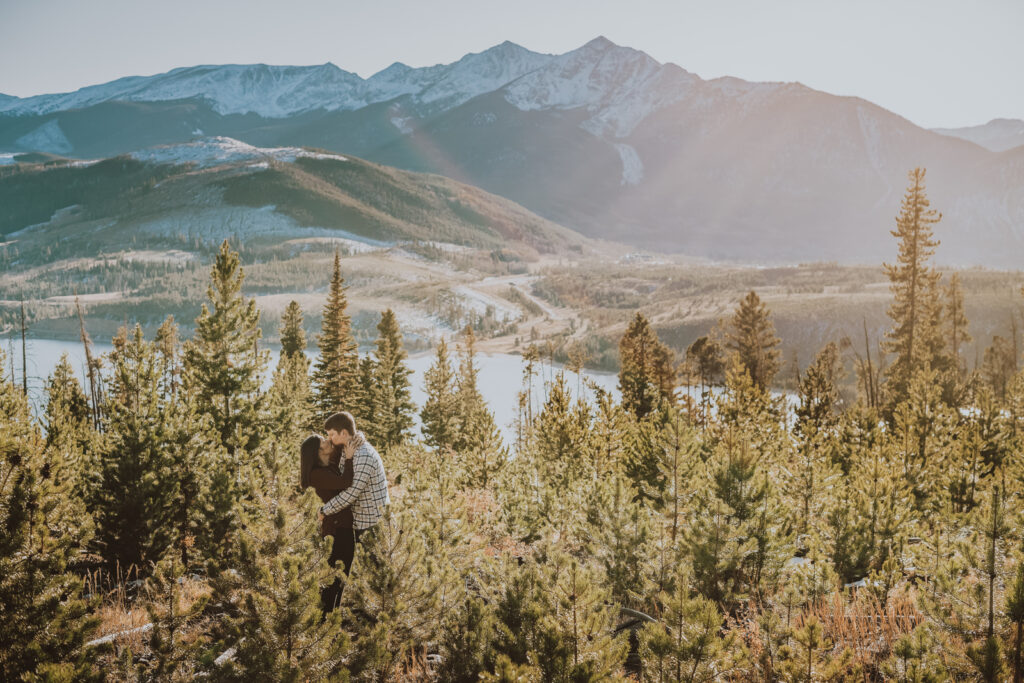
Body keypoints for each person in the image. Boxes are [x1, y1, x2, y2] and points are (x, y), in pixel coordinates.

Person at [319, 411, 390, 551]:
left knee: (376, 568)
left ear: (344, 433)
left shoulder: (364, 455)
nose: (329, 439)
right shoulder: (348, 449)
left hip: (373, 524)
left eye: (332, 434)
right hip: (361, 521)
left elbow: (351, 492)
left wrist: (324, 510)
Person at [300, 433, 354, 612]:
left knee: (340, 578)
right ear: (317, 451)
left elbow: (338, 447)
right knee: (333, 579)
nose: (327, 440)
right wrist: (349, 458)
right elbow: (346, 481)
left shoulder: (327, 466)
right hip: (335, 531)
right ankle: (324, 620)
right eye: (323, 440)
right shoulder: (317, 474)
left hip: (343, 527)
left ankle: (331, 621)